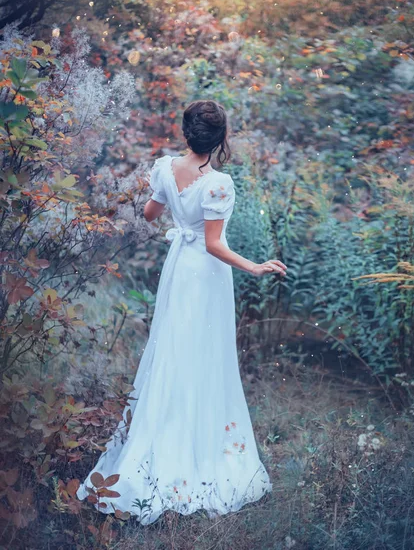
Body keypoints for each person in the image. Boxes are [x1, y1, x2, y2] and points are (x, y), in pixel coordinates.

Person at [76, 100, 287, 525]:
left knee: (173, 350)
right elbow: (214, 245)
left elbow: (151, 213)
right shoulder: (219, 184)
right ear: (221, 139)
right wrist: (255, 266)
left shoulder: (164, 168)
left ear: (186, 133)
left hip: (178, 269)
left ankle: (162, 435)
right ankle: (197, 449)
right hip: (205, 275)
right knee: (204, 355)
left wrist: (175, 216)